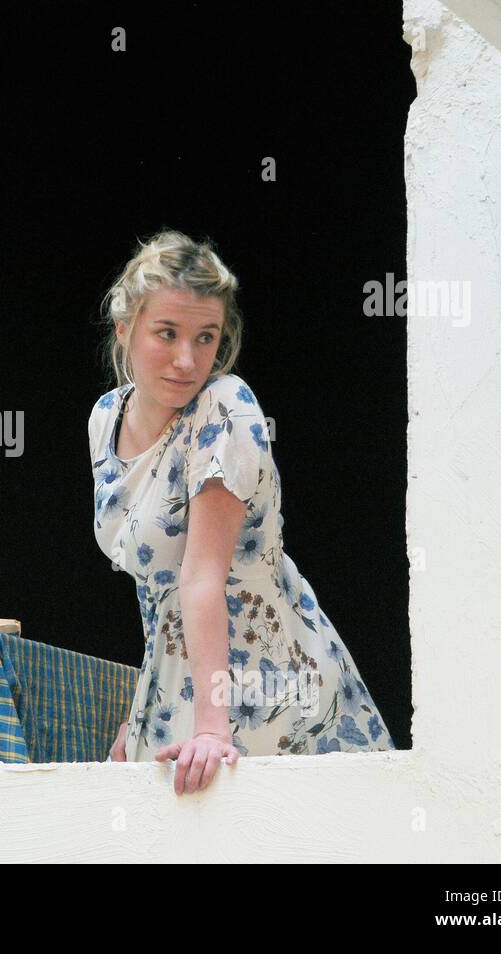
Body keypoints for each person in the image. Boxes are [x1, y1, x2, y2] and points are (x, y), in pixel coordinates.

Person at [88, 229, 395, 795]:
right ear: (125, 329)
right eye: (167, 333)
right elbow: (156, 589)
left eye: (205, 337)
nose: (187, 360)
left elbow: (202, 576)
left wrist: (211, 726)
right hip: (190, 685)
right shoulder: (106, 418)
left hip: (265, 687)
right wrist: (146, 710)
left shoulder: (225, 407)